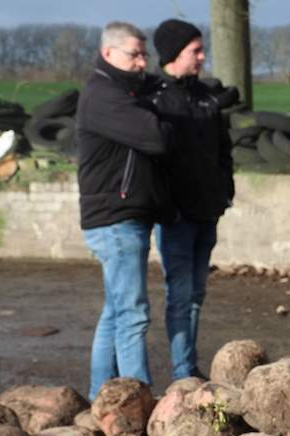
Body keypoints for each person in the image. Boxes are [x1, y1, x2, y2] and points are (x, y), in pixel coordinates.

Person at [77, 21, 173, 400]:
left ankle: (101, 395)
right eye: (134, 53)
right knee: (133, 315)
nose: (141, 62)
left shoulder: (118, 90)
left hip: (116, 218)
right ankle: (139, 400)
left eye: (144, 54)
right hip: (116, 220)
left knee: (115, 313)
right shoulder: (105, 96)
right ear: (108, 53)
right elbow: (157, 136)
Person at [148, 19, 235, 380]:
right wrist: (164, 205)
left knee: (196, 294)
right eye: (194, 51)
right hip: (175, 218)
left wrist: (225, 192)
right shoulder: (154, 100)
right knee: (181, 296)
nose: (202, 57)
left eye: (202, 49)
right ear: (172, 54)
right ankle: (184, 370)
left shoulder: (205, 98)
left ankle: (187, 365)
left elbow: (222, 151)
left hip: (207, 211)